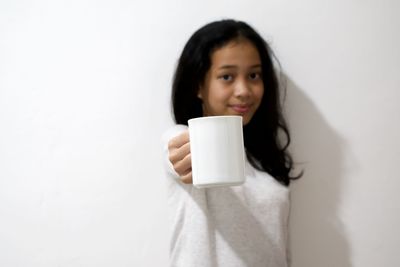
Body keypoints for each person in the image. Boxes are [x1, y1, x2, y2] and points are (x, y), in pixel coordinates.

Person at [162, 19, 302, 267]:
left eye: (254, 75)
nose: (244, 90)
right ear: (198, 86)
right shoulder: (184, 136)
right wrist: (180, 157)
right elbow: (175, 154)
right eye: (227, 76)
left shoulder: (262, 159)